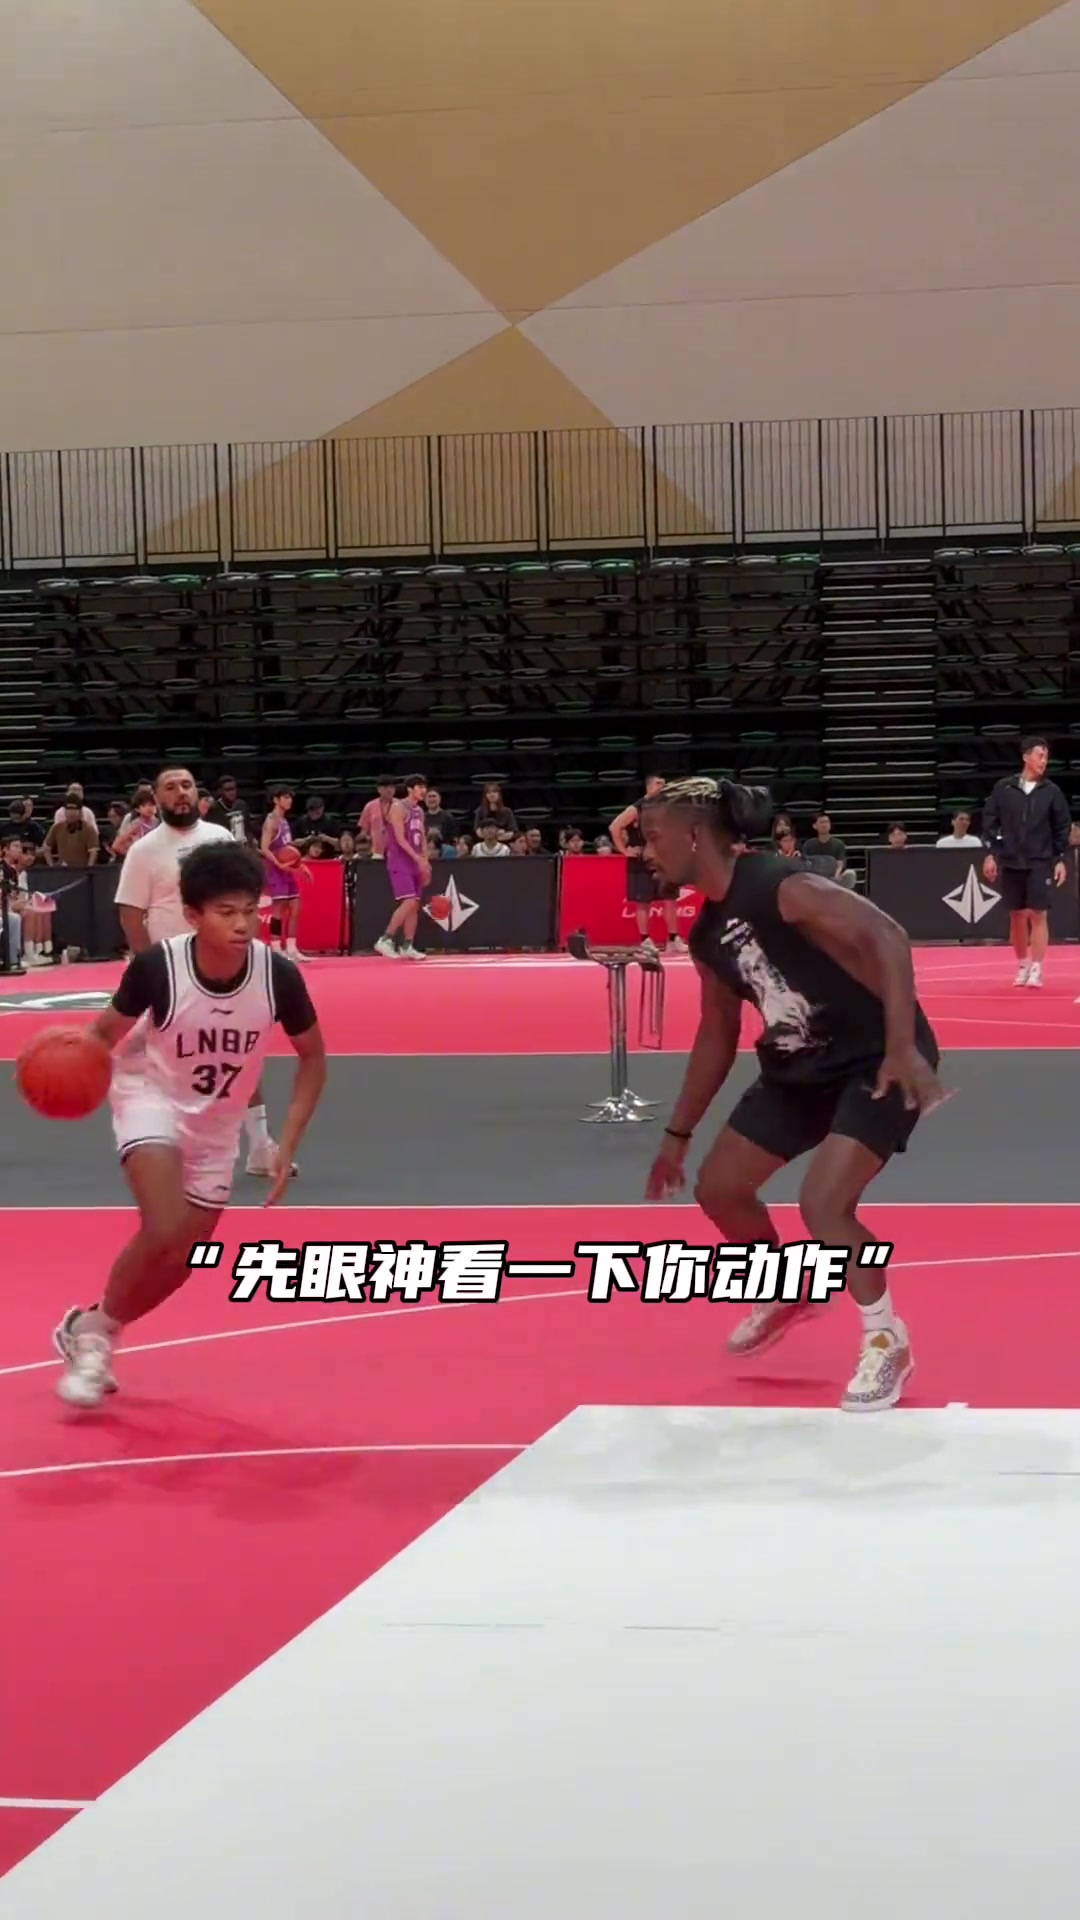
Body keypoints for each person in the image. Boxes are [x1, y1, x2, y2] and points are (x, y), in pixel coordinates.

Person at [641, 776, 947, 1413]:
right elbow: (717, 1034)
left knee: (824, 1204)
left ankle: (886, 1338)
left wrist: (901, 1045)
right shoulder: (705, 934)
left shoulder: (780, 885)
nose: (646, 852)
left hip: (875, 1059)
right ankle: (788, 1287)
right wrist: (677, 1134)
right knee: (720, 1189)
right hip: (798, 1068)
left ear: (695, 836)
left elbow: (888, 936)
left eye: (653, 837)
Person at [53, 843, 326, 1409]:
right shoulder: (158, 968)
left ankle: (93, 1327)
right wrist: (68, 1073)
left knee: (183, 1259)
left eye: (250, 909)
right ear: (194, 915)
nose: (243, 923)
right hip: (149, 1096)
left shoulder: (278, 976)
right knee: (165, 1227)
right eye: (227, 912)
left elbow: (313, 1058)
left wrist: (283, 1143)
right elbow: (102, 1036)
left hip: (216, 1126)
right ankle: (95, 1342)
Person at [114, 766, 294, 1180]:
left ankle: (260, 1147)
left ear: (197, 793)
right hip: (173, 975)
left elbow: (245, 898)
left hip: (227, 967)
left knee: (240, 1056)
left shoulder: (220, 838)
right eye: (170, 787)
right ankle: (170, 1147)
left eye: (186, 785)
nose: (180, 793)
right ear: (156, 798)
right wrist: (149, 969)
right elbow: (130, 914)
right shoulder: (144, 851)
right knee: (171, 1066)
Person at [982, 736, 1069, 989]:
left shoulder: (1051, 791)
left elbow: (1062, 827)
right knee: (1017, 916)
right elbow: (990, 821)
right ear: (1026, 756)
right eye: (1040, 755)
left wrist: (1059, 859)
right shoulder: (1004, 788)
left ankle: (1037, 968)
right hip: (1011, 859)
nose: (1044, 761)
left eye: (1046, 757)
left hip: (1040, 860)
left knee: (1038, 913)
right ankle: (1023, 964)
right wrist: (991, 853)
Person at [610, 775, 686, 953]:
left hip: (664, 859)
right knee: (643, 902)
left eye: (664, 784)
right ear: (649, 786)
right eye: (658, 784)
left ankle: (673, 938)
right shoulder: (637, 808)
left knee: (670, 899)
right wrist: (624, 850)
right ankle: (645, 939)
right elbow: (614, 826)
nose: (662, 787)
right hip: (641, 860)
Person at [375, 775, 430, 959]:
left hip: (415, 861)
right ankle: (385, 939)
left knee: (415, 904)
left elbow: (422, 837)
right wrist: (417, 858)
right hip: (400, 860)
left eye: (424, 787)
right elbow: (400, 838)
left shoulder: (419, 811)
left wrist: (425, 861)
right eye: (419, 787)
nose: (423, 791)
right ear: (409, 789)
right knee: (408, 901)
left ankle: (407, 945)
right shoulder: (398, 807)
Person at [261, 784, 303, 960]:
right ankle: (276, 947)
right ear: (276, 800)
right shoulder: (271, 821)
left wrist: (302, 866)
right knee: (278, 909)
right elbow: (264, 848)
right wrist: (279, 864)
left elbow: (288, 849)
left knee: (295, 907)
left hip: (287, 869)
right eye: (285, 797)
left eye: (290, 797)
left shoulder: (284, 821)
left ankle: (292, 948)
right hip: (276, 870)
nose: (289, 800)